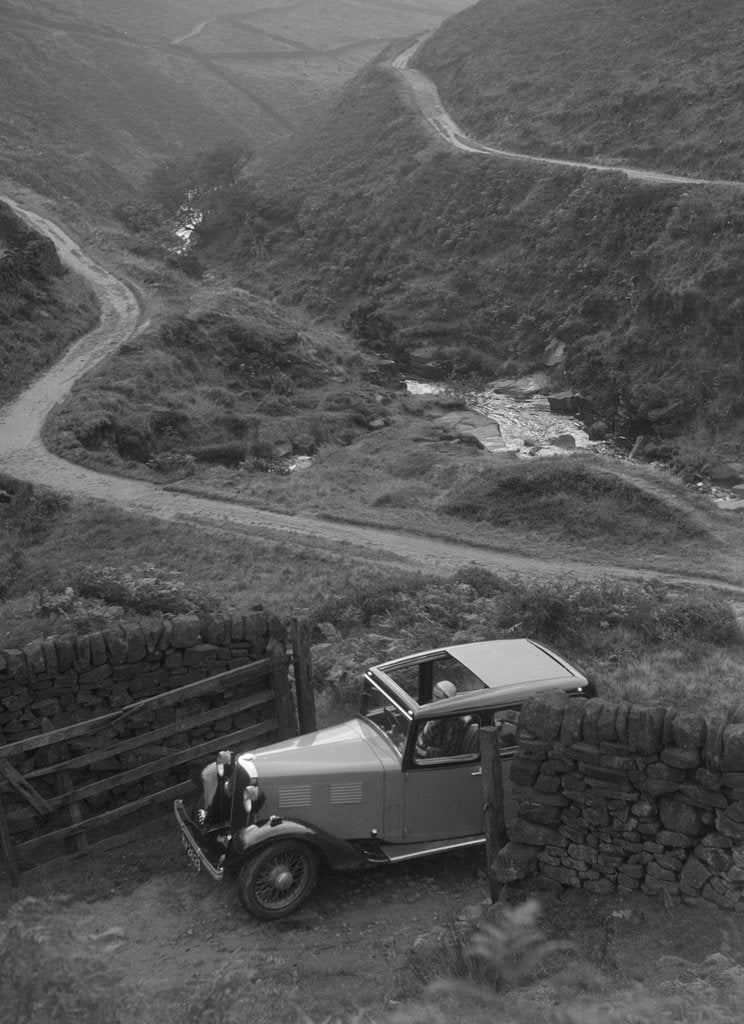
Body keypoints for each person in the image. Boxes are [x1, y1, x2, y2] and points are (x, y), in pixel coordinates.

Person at [415, 680, 463, 758]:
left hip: (426, 760)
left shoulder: (453, 722)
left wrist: (423, 752)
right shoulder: (429, 708)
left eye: (437, 697)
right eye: (433, 696)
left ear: (448, 700)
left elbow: (448, 753)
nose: (433, 700)